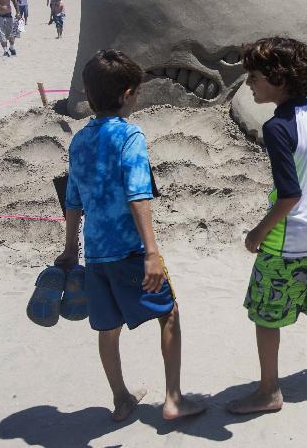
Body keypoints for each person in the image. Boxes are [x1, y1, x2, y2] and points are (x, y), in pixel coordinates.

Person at [53, 49, 206, 422]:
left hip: (97, 254)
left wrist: (71, 248)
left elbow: (73, 198)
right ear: (127, 95)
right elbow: (138, 194)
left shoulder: (79, 141)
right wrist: (151, 252)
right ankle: (173, 398)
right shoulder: (130, 135)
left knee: (107, 326)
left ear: (89, 96)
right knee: (168, 314)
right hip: (131, 252)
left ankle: (121, 399)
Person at [228, 37, 307, 414]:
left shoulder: (277, 128)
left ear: (279, 79)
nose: (249, 82)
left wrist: (256, 234)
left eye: (255, 76)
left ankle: (269, 392)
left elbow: (288, 196)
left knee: (267, 317)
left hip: (285, 243)